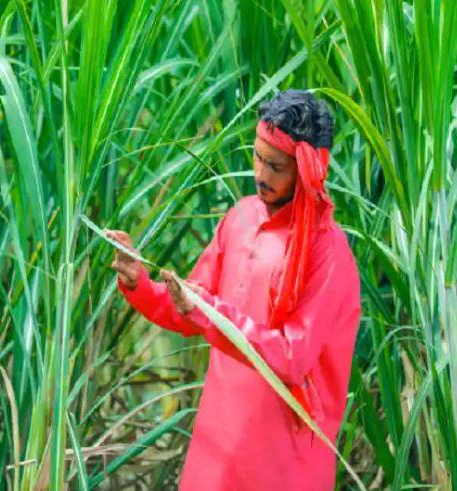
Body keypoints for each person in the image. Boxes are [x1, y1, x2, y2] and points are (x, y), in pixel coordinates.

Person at [105, 89, 362, 490]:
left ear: (308, 169)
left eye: (276, 165)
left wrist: (208, 311)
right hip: (214, 451)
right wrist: (139, 283)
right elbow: (187, 307)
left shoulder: (328, 253)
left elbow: (292, 358)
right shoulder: (240, 218)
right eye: (257, 157)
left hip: (285, 465)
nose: (260, 174)